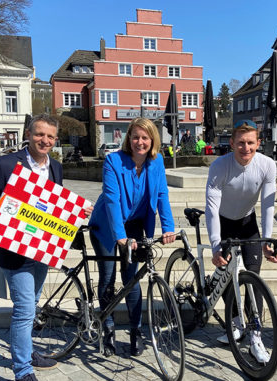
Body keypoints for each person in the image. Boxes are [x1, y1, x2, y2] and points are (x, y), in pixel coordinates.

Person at [0, 114, 93, 381]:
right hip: (12, 252)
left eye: (50, 136)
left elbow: (53, 209)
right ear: (28, 133)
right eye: (39, 134)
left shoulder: (56, 168)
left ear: (55, 139)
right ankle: (23, 369)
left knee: (32, 306)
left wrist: (78, 211)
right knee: (24, 309)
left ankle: (27, 352)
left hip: (41, 250)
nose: (44, 140)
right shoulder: (4, 165)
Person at [87, 117, 176, 357]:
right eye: (135, 137)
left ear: (152, 140)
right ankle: (108, 329)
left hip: (136, 224)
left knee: (132, 279)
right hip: (106, 226)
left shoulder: (156, 163)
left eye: (145, 137)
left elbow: (161, 195)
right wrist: (120, 237)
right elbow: (112, 201)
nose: (140, 142)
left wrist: (168, 227)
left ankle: (136, 332)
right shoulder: (113, 161)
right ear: (129, 138)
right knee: (107, 277)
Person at [205, 119, 277, 362]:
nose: (245, 148)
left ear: (258, 143)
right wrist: (216, 244)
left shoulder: (267, 165)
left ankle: (255, 335)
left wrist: (267, 240)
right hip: (224, 223)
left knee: (253, 278)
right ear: (232, 143)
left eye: (250, 143)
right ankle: (235, 323)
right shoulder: (219, 166)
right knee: (227, 274)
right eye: (240, 143)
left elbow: (268, 204)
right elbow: (212, 208)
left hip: (248, 224)